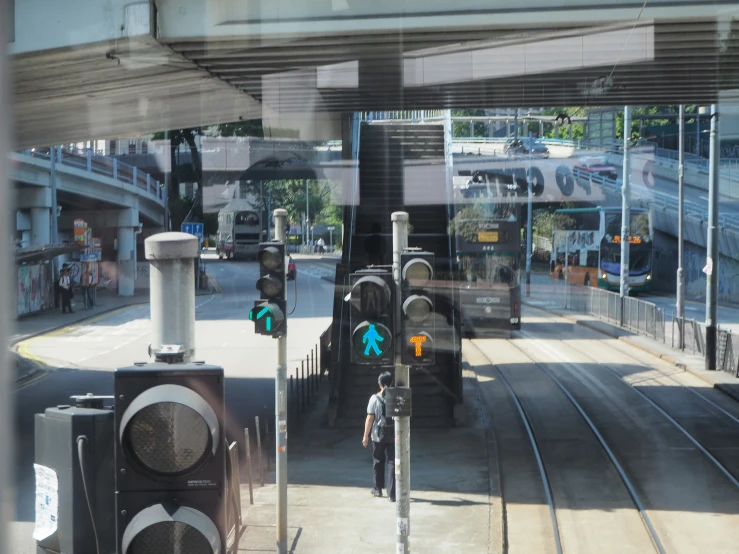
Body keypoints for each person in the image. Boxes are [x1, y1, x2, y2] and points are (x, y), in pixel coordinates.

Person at [362, 371, 395, 501]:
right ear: (392, 383)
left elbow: (370, 418)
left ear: (379, 383)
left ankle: (378, 489)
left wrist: (365, 436)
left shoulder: (374, 398)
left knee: (378, 460)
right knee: (393, 462)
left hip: (377, 435)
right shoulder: (396, 397)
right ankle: (392, 494)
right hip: (393, 434)